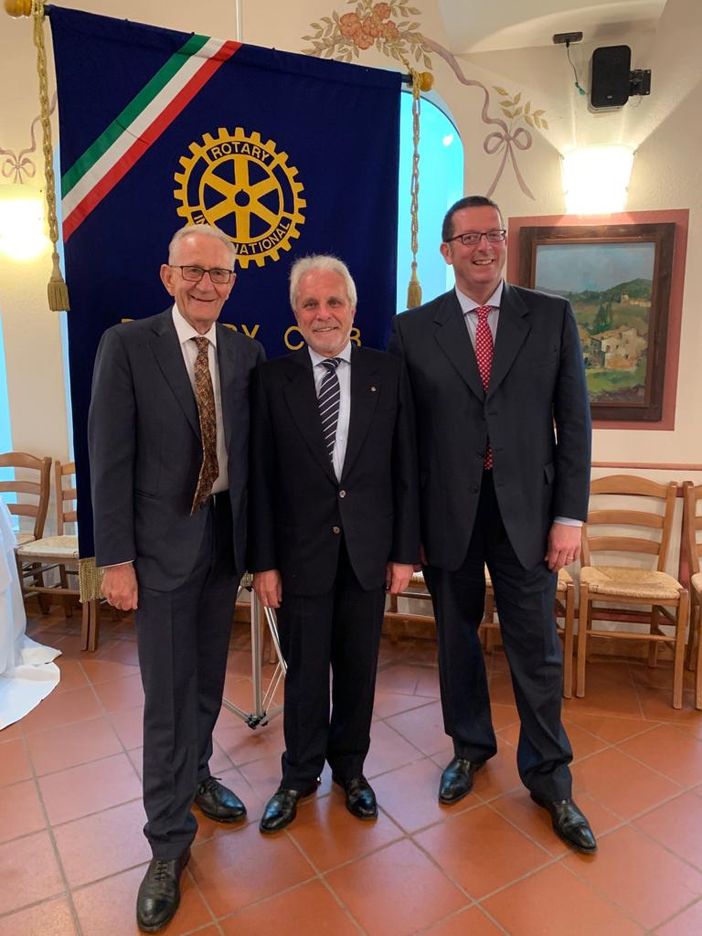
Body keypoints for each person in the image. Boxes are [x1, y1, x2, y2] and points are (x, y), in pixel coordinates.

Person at [388, 196, 596, 853]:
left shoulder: (552, 317)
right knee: (456, 641)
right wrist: (408, 527)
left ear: (504, 243)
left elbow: (575, 425)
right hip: (447, 515)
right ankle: (470, 747)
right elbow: (405, 440)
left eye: (493, 234)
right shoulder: (413, 329)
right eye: (469, 236)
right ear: (445, 251)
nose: (484, 246)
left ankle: (549, 778)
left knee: (536, 647)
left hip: (530, 517)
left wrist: (569, 516)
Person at [88, 224, 265, 932]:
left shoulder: (247, 354)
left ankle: (196, 776)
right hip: (158, 552)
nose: (206, 285)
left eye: (219, 274)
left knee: (207, 684)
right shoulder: (127, 348)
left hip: (223, 543)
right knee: (165, 698)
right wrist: (117, 560)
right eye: (193, 272)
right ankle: (166, 847)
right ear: (168, 276)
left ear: (232, 282)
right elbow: (108, 459)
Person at [250, 255, 419, 833]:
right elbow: (262, 481)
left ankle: (351, 770)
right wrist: (264, 563)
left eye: (334, 302)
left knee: (357, 669)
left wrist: (404, 552)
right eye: (310, 304)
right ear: (295, 313)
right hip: (299, 559)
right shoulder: (272, 380)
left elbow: (406, 471)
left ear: (352, 308)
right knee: (302, 673)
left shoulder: (389, 372)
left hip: (369, 554)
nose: (323, 314)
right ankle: (298, 775)